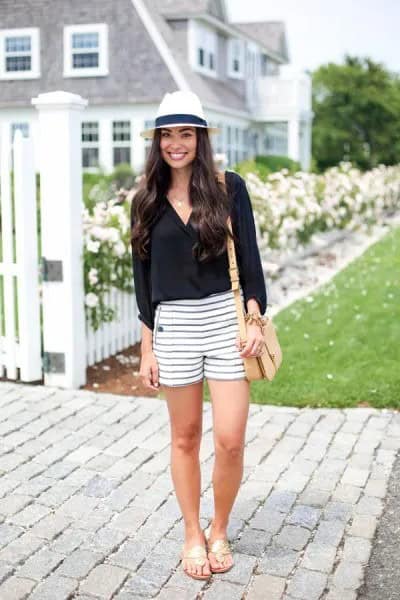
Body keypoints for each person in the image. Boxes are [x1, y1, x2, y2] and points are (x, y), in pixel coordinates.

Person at [130, 90, 267, 580]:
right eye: (167, 134)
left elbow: (249, 258)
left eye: (185, 133)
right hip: (175, 328)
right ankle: (192, 533)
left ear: (201, 138)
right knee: (185, 436)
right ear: (158, 142)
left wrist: (254, 316)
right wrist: (147, 349)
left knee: (230, 439)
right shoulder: (145, 198)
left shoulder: (229, 188)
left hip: (224, 322)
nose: (175, 143)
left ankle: (220, 527)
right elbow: (142, 282)